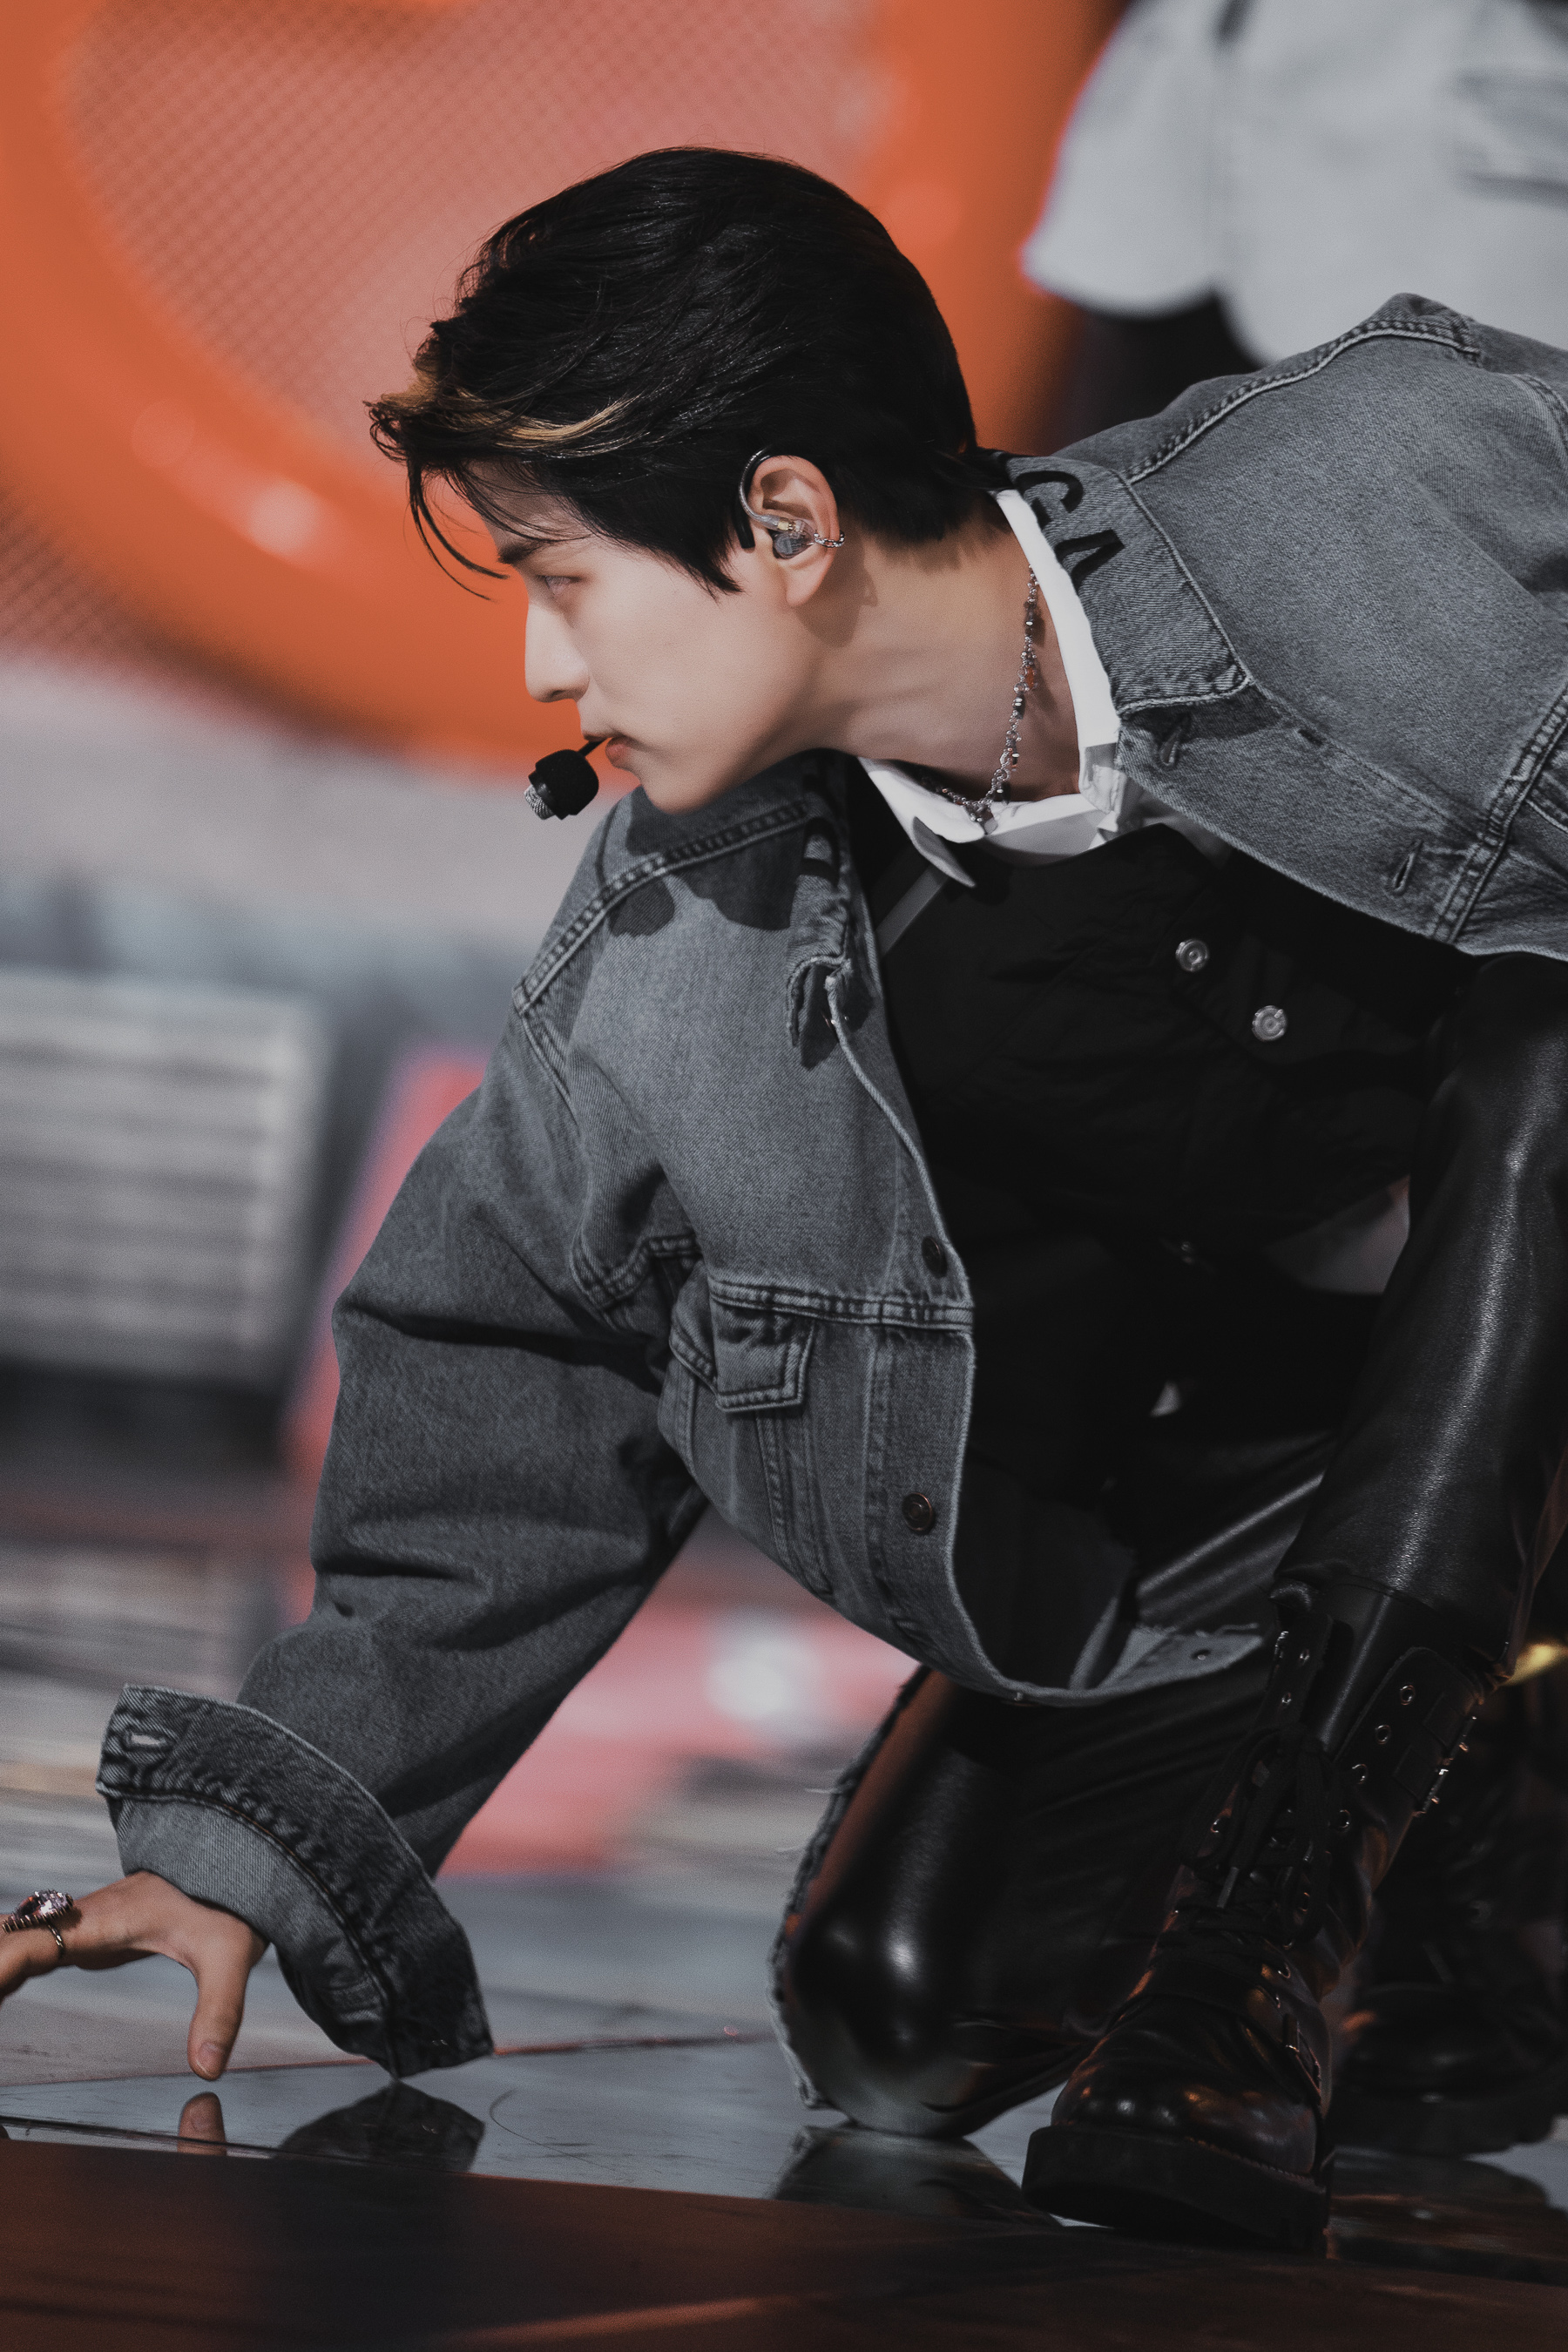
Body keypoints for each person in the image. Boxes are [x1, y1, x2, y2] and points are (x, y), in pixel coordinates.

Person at [3, 148, 1568, 2248]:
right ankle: (1493, 1796)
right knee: (894, 2017)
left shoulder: (1398, 478)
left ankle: (1283, 1911)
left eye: (565, 582)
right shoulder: (685, 953)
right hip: (1289, 1493)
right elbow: (508, 1373)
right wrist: (243, 1855)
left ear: (787, 523)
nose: (545, 672)